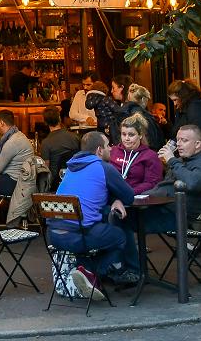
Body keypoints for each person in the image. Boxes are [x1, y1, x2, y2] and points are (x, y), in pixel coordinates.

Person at [119, 124, 201, 278]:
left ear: (197, 144)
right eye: (178, 139)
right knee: (113, 213)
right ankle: (122, 267)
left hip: (174, 216)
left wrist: (172, 161)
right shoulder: (185, 159)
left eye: (184, 140)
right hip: (158, 207)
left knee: (118, 219)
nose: (178, 144)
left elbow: (192, 183)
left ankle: (131, 270)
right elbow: (163, 186)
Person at [50, 130, 134, 299]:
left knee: (99, 229)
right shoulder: (103, 167)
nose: (111, 148)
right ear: (99, 150)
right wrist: (117, 198)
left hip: (53, 234)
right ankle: (91, 272)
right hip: (78, 234)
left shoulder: (71, 168)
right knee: (118, 236)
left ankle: (84, 270)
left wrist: (112, 199)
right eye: (108, 145)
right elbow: (129, 196)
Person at [109, 113, 163, 193]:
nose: (126, 138)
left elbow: (152, 183)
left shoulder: (150, 156)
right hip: (112, 196)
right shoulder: (112, 151)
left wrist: (129, 192)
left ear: (140, 135)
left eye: (131, 135)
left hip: (136, 199)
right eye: (124, 134)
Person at [0, 110, 34, 197]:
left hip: (13, 183)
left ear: (1, 123)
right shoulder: (19, 135)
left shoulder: (12, 142)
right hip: (23, 181)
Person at [39, 105, 79, 183]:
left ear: (45, 122)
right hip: (75, 178)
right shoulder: (75, 137)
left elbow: (45, 171)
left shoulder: (46, 143)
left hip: (55, 184)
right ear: (60, 119)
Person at [121, 83, 165, 149]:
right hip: (145, 153)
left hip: (124, 152)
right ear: (143, 99)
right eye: (147, 99)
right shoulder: (145, 116)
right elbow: (154, 141)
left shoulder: (120, 113)